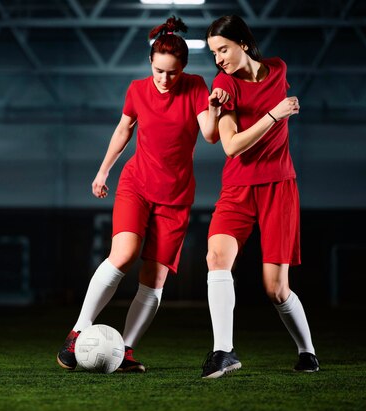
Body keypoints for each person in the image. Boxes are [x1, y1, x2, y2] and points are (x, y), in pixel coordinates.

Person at [56, 16, 229, 373]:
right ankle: (77, 332)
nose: (165, 80)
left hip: (176, 196)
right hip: (136, 183)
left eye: (172, 73)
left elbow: (211, 136)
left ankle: (126, 351)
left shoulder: (196, 87)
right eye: (159, 71)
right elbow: (124, 130)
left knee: (154, 278)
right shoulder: (137, 90)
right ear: (150, 63)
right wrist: (103, 171)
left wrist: (214, 105)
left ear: (183, 68)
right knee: (124, 254)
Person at [200, 15, 320, 379]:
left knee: (276, 289)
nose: (218, 58)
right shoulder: (224, 85)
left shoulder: (278, 69)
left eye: (223, 49)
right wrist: (275, 114)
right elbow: (231, 146)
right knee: (216, 257)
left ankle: (307, 352)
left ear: (245, 44)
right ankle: (224, 352)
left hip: (279, 187)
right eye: (214, 53)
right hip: (237, 189)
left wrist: (280, 110)